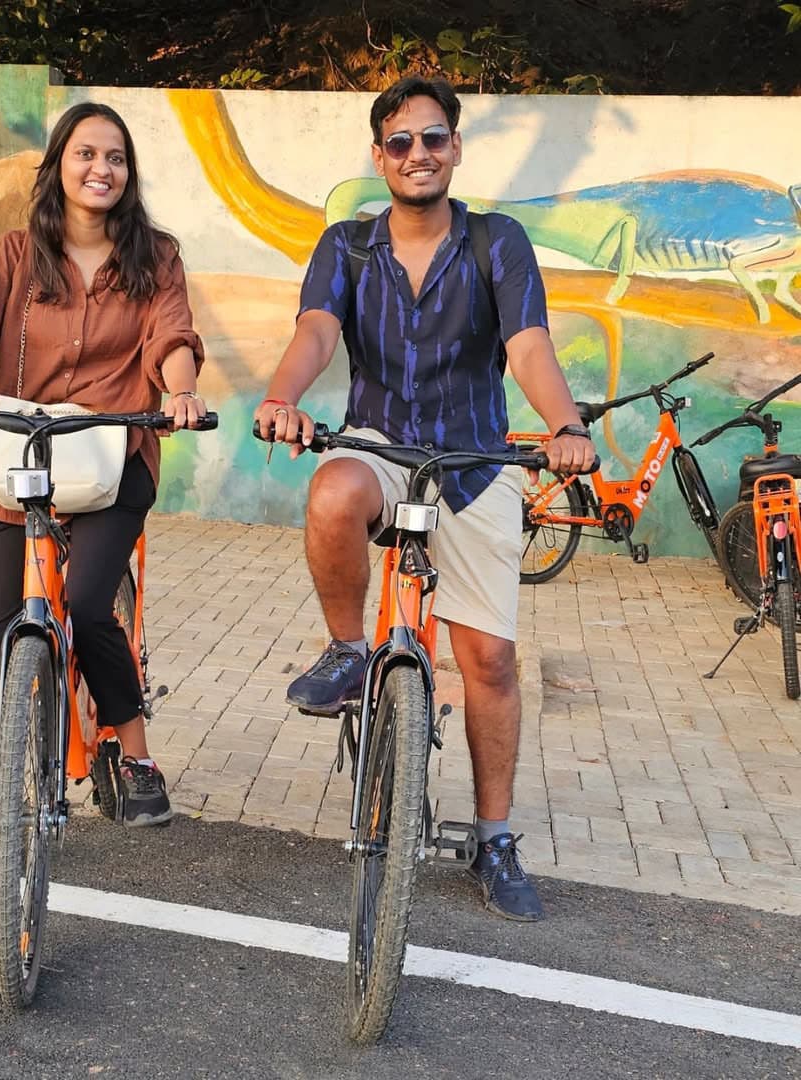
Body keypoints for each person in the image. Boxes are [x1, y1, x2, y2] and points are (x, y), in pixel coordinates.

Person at [254, 76, 595, 922]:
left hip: (476, 462)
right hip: (381, 447)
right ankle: (346, 651)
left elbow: (528, 345)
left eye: (433, 139)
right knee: (333, 492)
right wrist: (281, 396)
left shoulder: (496, 241)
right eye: (401, 142)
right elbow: (316, 332)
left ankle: (494, 836)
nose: (418, 154)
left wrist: (565, 423)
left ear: (455, 150)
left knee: (489, 663)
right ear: (379, 157)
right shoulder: (347, 246)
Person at [0, 102, 206, 886]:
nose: (102, 169)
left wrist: (181, 393)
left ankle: (135, 757)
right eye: (86, 154)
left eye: (116, 157)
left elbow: (171, 339)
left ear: (128, 174)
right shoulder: (15, 255)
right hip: (27, 460)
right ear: (57, 166)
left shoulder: (156, 257)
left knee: (87, 606)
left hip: (117, 455)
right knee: (0, 635)